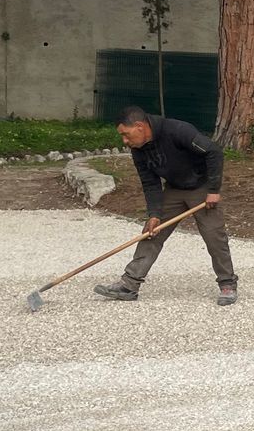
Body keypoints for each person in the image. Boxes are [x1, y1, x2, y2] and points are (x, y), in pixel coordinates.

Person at [94, 107, 237, 306]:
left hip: (202, 188)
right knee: (152, 233)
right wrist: (154, 214)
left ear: (140, 127)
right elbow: (150, 183)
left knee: (214, 237)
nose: (124, 141)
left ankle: (227, 284)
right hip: (174, 190)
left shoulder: (178, 130)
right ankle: (129, 285)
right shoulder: (138, 151)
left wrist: (213, 189)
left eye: (125, 135)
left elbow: (213, 152)